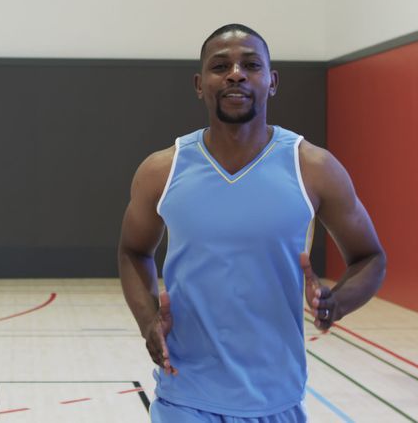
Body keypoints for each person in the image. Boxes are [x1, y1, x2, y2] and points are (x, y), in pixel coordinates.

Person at [118, 24, 386, 422]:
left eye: (251, 65)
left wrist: (337, 303)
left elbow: (370, 257)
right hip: (184, 398)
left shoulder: (312, 167)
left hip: (277, 400)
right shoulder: (163, 169)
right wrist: (148, 322)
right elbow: (132, 250)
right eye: (220, 66)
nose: (236, 74)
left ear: (272, 81)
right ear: (199, 83)